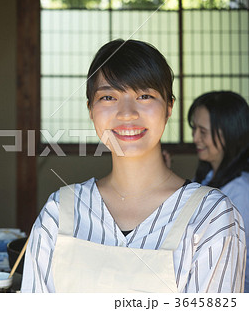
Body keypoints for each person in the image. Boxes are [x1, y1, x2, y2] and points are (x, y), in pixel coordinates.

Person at [21, 40, 246, 293]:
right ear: (90, 110)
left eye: (144, 96)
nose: (127, 113)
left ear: (169, 107)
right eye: (108, 97)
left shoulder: (212, 216)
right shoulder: (59, 211)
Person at [188, 91, 249, 291]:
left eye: (203, 131)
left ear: (229, 132)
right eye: (194, 129)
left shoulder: (240, 191)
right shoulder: (206, 177)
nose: (195, 138)